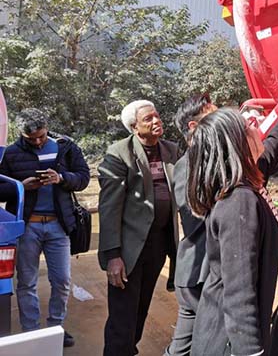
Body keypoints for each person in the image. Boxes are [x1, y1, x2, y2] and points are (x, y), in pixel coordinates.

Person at [165, 88, 278, 356]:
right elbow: (238, 296)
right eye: (248, 126)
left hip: (220, 300)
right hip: (202, 281)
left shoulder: (237, 185)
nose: (256, 128)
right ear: (234, 144)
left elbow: (270, 151)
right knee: (183, 346)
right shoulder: (236, 199)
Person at [0, 108, 90, 347]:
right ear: (21, 134)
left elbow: (83, 178)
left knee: (61, 280)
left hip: (58, 226)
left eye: (41, 136)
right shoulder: (11, 153)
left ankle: (55, 327)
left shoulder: (65, 147)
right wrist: (20, 186)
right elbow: (0, 188)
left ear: (47, 128)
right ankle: (31, 332)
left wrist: (61, 179)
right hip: (28, 227)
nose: (38, 142)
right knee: (26, 282)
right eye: (31, 139)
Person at [98, 100, 179, 356]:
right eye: (148, 119)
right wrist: (113, 255)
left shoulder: (171, 150)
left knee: (141, 307)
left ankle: (128, 350)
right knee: (123, 314)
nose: (156, 121)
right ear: (134, 127)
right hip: (129, 248)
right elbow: (109, 207)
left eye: (157, 116)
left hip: (158, 244)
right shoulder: (120, 153)